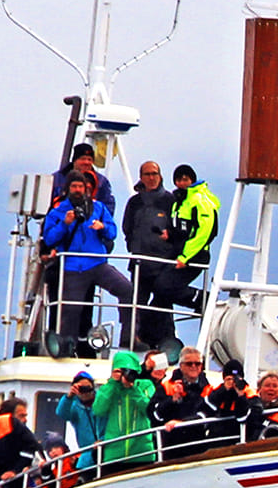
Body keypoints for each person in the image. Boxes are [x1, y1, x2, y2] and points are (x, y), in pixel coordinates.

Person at [42, 170, 134, 355]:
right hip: (72, 266)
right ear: (67, 189)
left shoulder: (98, 208)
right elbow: (50, 239)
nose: (77, 190)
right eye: (74, 186)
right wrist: (65, 224)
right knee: (70, 311)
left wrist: (103, 227)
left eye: (81, 186)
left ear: (86, 189)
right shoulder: (57, 212)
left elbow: (113, 232)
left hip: (97, 263)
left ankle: (129, 337)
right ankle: (67, 349)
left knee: (127, 290)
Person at [122, 160, 179, 351]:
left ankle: (167, 342)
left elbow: (177, 229)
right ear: (141, 177)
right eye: (147, 174)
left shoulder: (169, 201)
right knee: (137, 302)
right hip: (139, 262)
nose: (152, 177)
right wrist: (134, 245)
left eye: (155, 173)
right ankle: (134, 339)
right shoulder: (134, 202)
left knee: (164, 304)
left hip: (163, 263)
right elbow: (127, 228)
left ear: (160, 175)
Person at [92, 350, 159, 470]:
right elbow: (98, 410)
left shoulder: (145, 385)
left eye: (129, 371)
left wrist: (132, 390)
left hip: (142, 453)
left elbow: (150, 410)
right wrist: (113, 383)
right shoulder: (108, 388)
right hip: (114, 454)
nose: (126, 375)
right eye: (121, 371)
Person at [167, 165, 220, 311]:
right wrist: (169, 235)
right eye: (178, 180)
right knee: (159, 288)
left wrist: (186, 257)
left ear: (192, 180)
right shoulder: (179, 202)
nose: (182, 183)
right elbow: (180, 229)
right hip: (178, 253)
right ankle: (158, 332)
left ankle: (204, 299)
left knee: (164, 287)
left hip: (195, 256)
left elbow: (206, 232)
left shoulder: (200, 200)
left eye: (185, 179)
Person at [155, 345, 216, 459]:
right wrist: (172, 400)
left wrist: (182, 422)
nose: (194, 366)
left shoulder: (209, 390)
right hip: (170, 447)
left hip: (198, 447)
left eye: (197, 363)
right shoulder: (166, 386)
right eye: (189, 364)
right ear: (181, 366)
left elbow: (207, 415)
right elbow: (155, 415)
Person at [50, 141, 115, 209]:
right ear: (74, 160)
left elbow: (108, 205)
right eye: (83, 159)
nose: (86, 162)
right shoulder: (56, 179)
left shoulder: (102, 182)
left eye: (89, 159)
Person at [60, 370, 100, 478]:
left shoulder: (102, 401)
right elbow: (62, 414)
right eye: (81, 388)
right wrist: (69, 397)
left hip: (106, 450)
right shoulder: (74, 406)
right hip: (87, 457)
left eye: (88, 388)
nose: (85, 392)